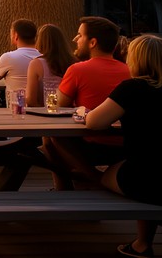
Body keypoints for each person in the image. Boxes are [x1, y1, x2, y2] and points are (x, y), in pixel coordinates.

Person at [85, 35, 162, 258]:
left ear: (136, 60)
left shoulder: (132, 88)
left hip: (147, 178)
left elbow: (94, 122)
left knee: (102, 176)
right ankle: (142, 244)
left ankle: (82, 193)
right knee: (147, 167)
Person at [42, 16, 130, 189]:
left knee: (50, 137)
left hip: (92, 147)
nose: (75, 39)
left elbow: (58, 106)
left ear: (93, 42)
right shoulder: (129, 70)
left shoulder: (77, 70)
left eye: (80, 35)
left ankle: (75, 185)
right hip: (126, 146)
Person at [26, 23, 75, 106]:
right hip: (69, 111)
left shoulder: (36, 64)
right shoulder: (73, 62)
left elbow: (30, 100)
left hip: (44, 111)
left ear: (40, 41)